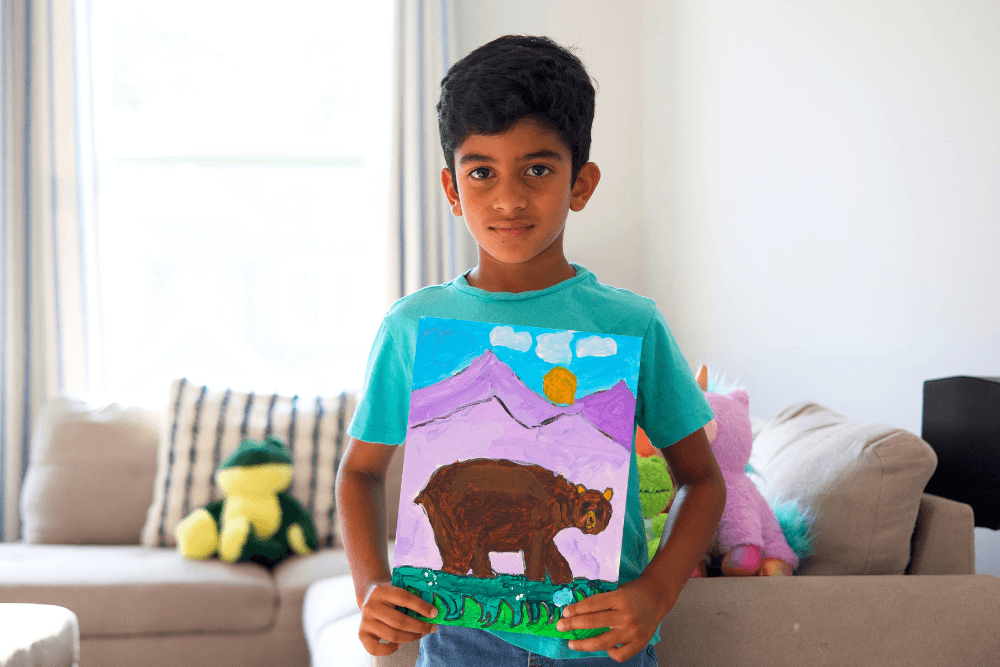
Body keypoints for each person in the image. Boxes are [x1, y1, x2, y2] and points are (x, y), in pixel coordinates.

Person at [336, 35, 726, 666]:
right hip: (458, 638)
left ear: (582, 182)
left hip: (599, 641)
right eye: (482, 171)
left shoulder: (632, 323)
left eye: (538, 170)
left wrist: (654, 594)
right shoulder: (412, 326)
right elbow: (358, 472)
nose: (509, 199)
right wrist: (369, 588)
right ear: (452, 188)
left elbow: (702, 480)